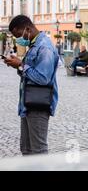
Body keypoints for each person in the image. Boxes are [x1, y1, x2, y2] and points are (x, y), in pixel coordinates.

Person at [3, 15, 59, 155]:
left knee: (38, 151)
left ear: (27, 29)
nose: (18, 40)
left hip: (38, 104)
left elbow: (43, 78)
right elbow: (29, 72)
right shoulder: (34, 45)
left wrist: (21, 65)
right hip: (28, 103)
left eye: (18, 35)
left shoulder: (44, 47)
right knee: (27, 149)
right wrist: (18, 66)